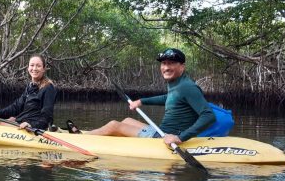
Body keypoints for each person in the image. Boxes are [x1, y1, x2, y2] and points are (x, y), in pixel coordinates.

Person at [84, 48, 216, 145]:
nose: (166, 67)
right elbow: (169, 98)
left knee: (114, 125)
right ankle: (91, 135)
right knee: (127, 120)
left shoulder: (188, 87)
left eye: (171, 63)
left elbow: (208, 116)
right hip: (161, 131)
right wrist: (141, 101)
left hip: (164, 137)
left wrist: (180, 138)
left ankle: (81, 138)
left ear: (182, 67)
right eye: (163, 63)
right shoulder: (178, 83)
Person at [0, 54, 57, 130]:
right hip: (20, 121)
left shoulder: (48, 88)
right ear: (28, 68)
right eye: (32, 65)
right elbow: (15, 107)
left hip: (29, 126)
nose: (34, 68)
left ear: (44, 69)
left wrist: (31, 125)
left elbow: (47, 116)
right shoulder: (30, 87)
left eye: (38, 66)